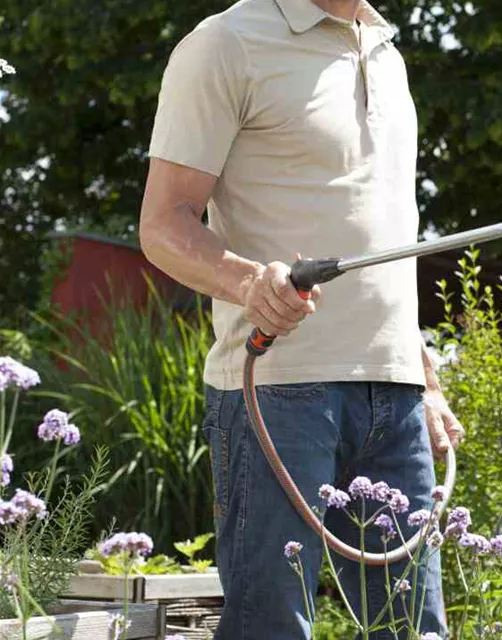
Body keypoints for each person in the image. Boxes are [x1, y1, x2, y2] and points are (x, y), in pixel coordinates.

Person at [138, 0, 464, 637]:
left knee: (412, 629)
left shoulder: (386, 55)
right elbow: (163, 224)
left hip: (396, 398)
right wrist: (249, 283)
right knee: (271, 628)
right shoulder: (226, 44)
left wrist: (423, 375)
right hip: (278, 392)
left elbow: (386, 237)